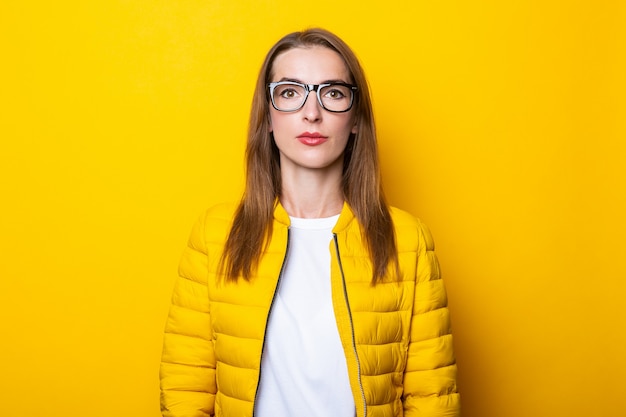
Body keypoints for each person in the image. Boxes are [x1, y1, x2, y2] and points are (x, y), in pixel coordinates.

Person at [159, 28, 460, 417]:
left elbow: (432, 397)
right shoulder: (214, 235)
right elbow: (186, 385)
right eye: (289, 92)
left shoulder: (408, 240)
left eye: (332, 93)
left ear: (355, 119)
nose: (311, 112)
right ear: (267, 116)